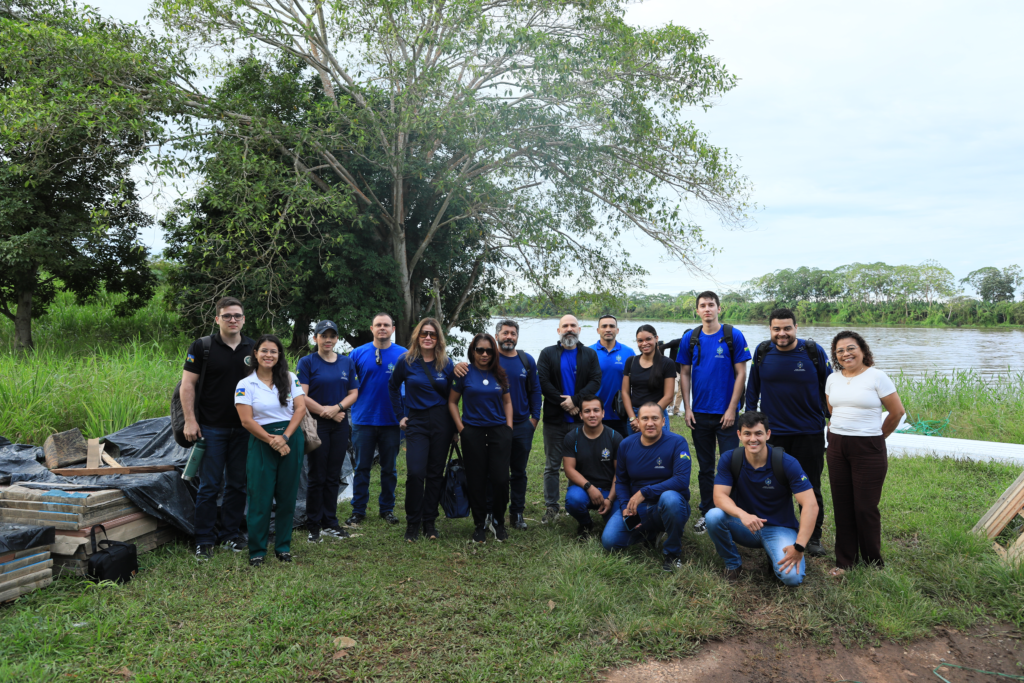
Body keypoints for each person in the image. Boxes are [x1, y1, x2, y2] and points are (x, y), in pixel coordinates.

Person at [745, 308, 832, 556]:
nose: (782, 333)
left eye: (787, 328)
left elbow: (830, 388)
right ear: (770, 329)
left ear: (796, 327)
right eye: (776, 329)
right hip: (774, 434)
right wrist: (750, 424)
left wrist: (832, 418)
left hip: (809, 432)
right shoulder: (763, 352)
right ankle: (775, 528)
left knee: (810, 486)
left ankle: (813, 537)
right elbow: (753, 390)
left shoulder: (812, 352)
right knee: (772, 484)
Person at [180, 296, 256, 562]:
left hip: (244, 429)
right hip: (211, 428)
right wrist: (190, 420)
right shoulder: (203, 347)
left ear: (244, 319)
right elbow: (187, 385)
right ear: (217, 319)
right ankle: (203, 540)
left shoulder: (254, 348)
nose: (233, 320)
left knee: (238, 484)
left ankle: (231, 535)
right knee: (210, 485)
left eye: (237, 315)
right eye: (227, 316)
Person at [825, 331, 905, 578]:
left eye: (851, 348)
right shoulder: (832, 378)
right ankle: (845, 561)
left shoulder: (877, 376)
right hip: (837, 446)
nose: (845, 354)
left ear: (862, 350)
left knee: (865, 507)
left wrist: (877, 438)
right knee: (842, 504)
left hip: (868, 447)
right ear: (835, 356)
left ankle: (873, 562)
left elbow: (897, 412)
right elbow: (832, 410)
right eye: (840, 350)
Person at [706, 411, 818, 586]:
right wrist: (742, 514)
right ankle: (733, 563)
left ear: (768, 434)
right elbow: (719, 497)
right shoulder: (730, 459)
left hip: (779, 528)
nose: (753, 439)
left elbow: (811, 505)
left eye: (758, 433)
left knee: (792, 579)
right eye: (747, 434)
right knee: (713, 516)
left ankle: (772, 554)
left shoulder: (786, 463)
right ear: (739, 435)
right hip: (745, 525)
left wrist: (800, 546)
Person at [453, 319, 541, 532]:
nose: (509, 336)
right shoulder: (481, 364)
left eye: (513, 333)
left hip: (519, 426)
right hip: (489, 427)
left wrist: (533, 420)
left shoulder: (526, 360)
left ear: (517, 337)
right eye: (505, 333)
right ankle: (489, 513)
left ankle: (516, 512)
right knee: (492, 472)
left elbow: (535, 391)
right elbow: (455, 397)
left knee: (517, 472)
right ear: (497, 336)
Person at [676, 291, 751, 535]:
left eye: (711, 305)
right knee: (706, 467)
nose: (707, 309)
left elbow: (741, 373)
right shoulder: (691, 338)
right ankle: (707, 512)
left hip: (727, 415)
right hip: (699, 414)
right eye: (702, 306)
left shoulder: (732, 335)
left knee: (731, 465)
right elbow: (684, 374)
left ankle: (732, 512)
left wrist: (732, 408)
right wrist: (687, 408)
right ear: (697, 310)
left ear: (720, 308)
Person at [234, 334, 307, 567]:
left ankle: (283, 546)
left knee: (287, 496)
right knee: (260, 497)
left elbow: (300, 409)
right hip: (261, 441)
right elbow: (246, 421)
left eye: (273, 351)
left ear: (279, 355)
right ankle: (257, 550)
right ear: (255, 354)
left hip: (290, 439)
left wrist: (285, 437)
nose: (268, 355)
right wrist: (271, 440)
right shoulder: (246, 384)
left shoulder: (289, 378)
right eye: (264, 350)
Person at [601, 403, 692, 572]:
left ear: (663, 421)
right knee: (610, 542)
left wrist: (644, 491)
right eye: (645, 418)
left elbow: (681, 481)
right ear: (637, 422)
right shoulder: (626, 445)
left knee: (670, 499)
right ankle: (651, 533)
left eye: (655, 418)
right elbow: (621, 481)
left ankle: (672, 553)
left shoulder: (677, 442)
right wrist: (624, 507)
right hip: (639, 507)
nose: (650, 423)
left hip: (668, 504)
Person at [388, 318, 455, 542]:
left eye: (433, 335)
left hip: (442, 421)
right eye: (424, 333)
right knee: (416, 473)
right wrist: (400, 415)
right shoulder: (406, 361)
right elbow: (393, 386)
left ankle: (430, 522)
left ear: (438, 339)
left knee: (435, 474)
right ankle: (412, 523)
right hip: (416, 421)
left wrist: (455, 428)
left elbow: (454, 397)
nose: (428, 337)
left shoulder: (446, 363)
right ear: (418, 336)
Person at [297, 320, 359, 544]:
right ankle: (313, 525)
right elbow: (302, 396)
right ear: (316, 338)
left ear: (336, 339)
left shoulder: (346, 362)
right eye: (324, 336)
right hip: (316, 424)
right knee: (317, 476)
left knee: (333, 475)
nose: (328, 340)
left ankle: (330, 522)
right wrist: (326, 411)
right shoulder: (307, 362)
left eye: (332, 336)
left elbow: (353, 392)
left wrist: (338, 408)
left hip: (340, 423)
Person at [536, 315, 602, 524]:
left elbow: (595, 381)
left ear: (579, 329)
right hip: (555, 419)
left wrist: (576, 401)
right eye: (565, 326)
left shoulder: (589, 354)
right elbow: (543, 381)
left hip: (579, 420)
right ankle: (552, 507)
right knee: (552, 465)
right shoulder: (547, 354)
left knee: (581, 463)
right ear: (558, 331)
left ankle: (579, 503)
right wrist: (563, 402)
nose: (569, 329)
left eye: (573, 325)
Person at [448, 333, 514, 543]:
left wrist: (509, 428)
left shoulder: (500, 374)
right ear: (473, 351)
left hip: (498, 432)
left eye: (488, 350)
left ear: (494, 352)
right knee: (476, 480)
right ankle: (479, 524)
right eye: (480, 350)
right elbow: (452, 402)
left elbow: (507, 402)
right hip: (473, 432)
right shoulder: (463, 373)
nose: (484, 354)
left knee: (501, 479)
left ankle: (498, 521)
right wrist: (462, 429)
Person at [347, 313, 407, 527]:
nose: (382, 328)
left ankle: (387, 509)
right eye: (378, 325)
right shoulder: (357, 354)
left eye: (386, 325)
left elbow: (411, 387)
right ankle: (358, 510)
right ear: (371, 328)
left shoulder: (404, 355)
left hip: (392, 421)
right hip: (363, 420)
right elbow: (348, 385)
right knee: (361, 467)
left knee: (389, 468)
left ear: (393, 329)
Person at [562, 394, 622, 538]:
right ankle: (585, 523)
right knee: (573, 500)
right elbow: (569, 470)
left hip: (610, 491)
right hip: (583, 489)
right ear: (581, 415)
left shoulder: (615, 437)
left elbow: (619, 473)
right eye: (587, 411)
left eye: (596, 410)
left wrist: (610, 499)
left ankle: (608, 513)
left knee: (615, 530)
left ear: (603, 413)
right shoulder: (572, 437)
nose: (592, 414)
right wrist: (590, 487)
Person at [621, 324, 677, 436]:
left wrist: (648, 417)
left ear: (656, 338)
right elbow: (625, 392)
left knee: (659, 452)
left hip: (657, 414)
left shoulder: (667, 363)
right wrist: (633, 418)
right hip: (635, 415)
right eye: (640, 340)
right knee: (635, 452)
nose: (644, 343)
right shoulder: (631, 362)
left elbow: (668, 396)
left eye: (648, 339)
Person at [589, 314, 635, 437]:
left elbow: (635, 381)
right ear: (598, 330)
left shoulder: (628, 352)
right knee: (597, 452)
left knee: (622, 451)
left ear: (617, 330)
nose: (608, 329)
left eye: (612, 326)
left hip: (621, 412)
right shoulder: (588, 352)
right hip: (595, 412)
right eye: (604, 326)